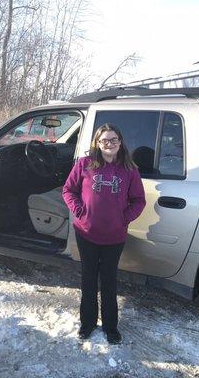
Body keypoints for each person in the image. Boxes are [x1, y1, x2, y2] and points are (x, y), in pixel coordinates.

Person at [62, 123, 146, 344]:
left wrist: (123, 218)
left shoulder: (130, 169)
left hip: (114, 237)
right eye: (104, 140)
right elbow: (68, 190)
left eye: (114, 140)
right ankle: (87, 323)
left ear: (120, 142)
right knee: (88, 279)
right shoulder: (85, 164)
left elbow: (139, 201)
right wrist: (80, 211)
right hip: (86, 232)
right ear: (97, 144)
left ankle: (111, 327)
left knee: (109, 281)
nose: (109, 144)